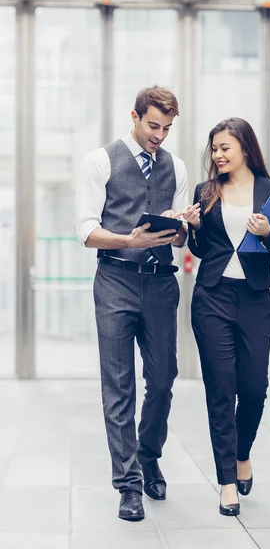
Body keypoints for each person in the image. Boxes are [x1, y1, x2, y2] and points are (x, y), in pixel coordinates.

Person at [75, 86, 188, 522]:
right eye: (153, 125)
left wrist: (183, 226)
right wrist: (128, 239)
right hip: (115, 280)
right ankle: (128, 485)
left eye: (167, 128)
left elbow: (177, 235)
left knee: (162, 380)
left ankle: (149, 455)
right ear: (135, 117)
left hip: (161, 284)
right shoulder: (100, 161)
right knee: (118, 385)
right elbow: (86, 230)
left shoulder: (174, 167)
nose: (159, 135)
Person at [184, 117, 270, 516]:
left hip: (254, 300)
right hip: (211, 297)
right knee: (220, 390)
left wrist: (268, 233)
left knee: (252, 389)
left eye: (224, 148)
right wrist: (194, 228)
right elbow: (201, 250)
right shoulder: (206, 190)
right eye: (213, 149)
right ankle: (227, 481)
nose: (217, 155)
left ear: (245, 148)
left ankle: (242, 452)